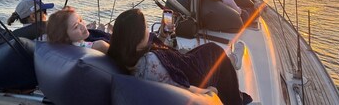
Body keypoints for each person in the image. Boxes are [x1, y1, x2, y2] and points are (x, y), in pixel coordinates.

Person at [107, 8, 252, 105]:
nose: (147, 30)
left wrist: (163, 36)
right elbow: (180, 86)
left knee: (205, 51)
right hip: (195, 76)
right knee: (217, 55)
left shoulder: (126, 56)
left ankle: (231, 60)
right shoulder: (150, 63)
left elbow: (162, 64)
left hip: (183, 64)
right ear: (135, 39)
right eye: (145, 27)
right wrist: (207, 91)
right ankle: (235, 95)